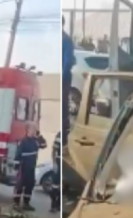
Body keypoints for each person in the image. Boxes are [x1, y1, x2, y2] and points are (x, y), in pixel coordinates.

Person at [14, 123, 44, 211]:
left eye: (35, 129)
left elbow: (44, 145)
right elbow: (18, 155)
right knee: (20, 185)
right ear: (28, 130)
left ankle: (26, 203)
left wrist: (39, 137)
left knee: (30, 185)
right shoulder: (23, 141)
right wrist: (16, 167)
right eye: (33, 129)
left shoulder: (35, 141)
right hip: (23, 166)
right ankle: (16, 203)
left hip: (31, 167)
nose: (35, 131)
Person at [62, 16, 76, 146]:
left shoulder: (65, 40)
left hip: (64, 79)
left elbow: (68, 61)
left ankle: (64, 138)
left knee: (64, 107)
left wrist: (62, 78)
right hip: (62, 78)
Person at [50, 131, 61, 213]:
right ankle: (53, 205)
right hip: (59, 161)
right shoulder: (59, 136)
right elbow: (54, 150)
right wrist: (54, 163)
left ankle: (58, 205)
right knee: (55, 186)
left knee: (61, 186)